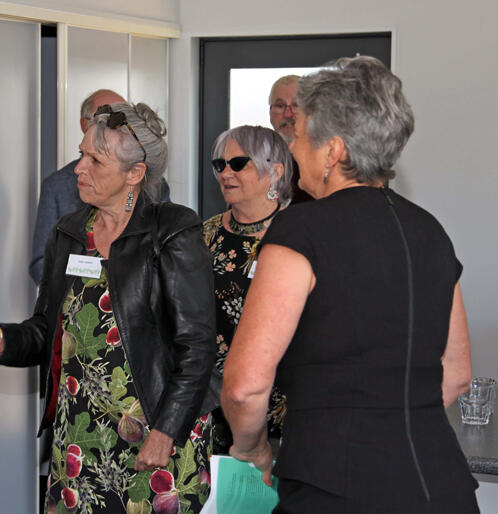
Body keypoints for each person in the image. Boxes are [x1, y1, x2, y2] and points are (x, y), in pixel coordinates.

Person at [221, 56, 478, 512]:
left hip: (334, 487)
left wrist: (251, 448)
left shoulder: (301, 232)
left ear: (333, 151)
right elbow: (456, 375)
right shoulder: (431, 232)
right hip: (440, 484)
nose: (293, 149)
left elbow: (245, 385)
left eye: (298, 137)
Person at [0, 102, 220, 513]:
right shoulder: (69, 232)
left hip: (153, 433)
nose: (79, 168)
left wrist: (167, 430)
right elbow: (46, 331)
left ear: (134, 174)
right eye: (81, 154)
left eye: (95, 159)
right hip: (81, 435)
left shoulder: (172, 231)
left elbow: (197, 345)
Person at [202, 125, 292, 455]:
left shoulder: (302, 233)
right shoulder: (206, 234)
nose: (226, 172)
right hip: (216, 402)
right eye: (219, 165)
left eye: (239, 163)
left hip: (285, 406)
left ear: (275, 172)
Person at [29, 89, 170, 284]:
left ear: (135, 173)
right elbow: (42, 265)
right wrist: (94, 277)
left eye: (121, 117)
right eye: (102, 117)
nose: (80, 169)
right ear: (85, 124)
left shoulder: (166, 208)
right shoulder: (59, 192)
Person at [269, 75, 311, 204]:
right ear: (270, 113)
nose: (288, 114)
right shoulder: (256, 161)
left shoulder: (325, 163)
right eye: (280, 106)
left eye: (296, 105)